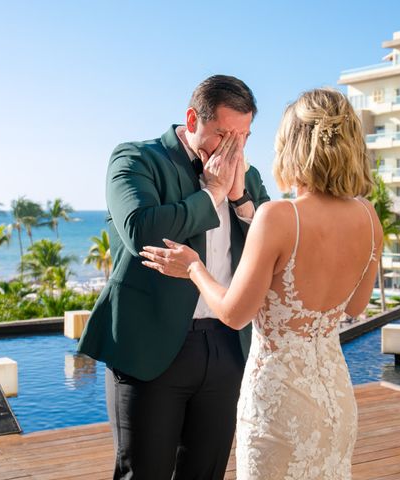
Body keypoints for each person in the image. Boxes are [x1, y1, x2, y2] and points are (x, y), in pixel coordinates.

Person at [140, 88, 383, 479]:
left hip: (280, 403)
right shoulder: (368, 216)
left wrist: (194, 268)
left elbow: (235, 315)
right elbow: (354, 308)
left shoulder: (279, 216)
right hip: (336, 396)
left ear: (292, 145)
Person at [77, 75, 270, 479]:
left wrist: (238, 199)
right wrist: (212, 194)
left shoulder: (248, 179)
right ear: (192, 118)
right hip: (150, 349)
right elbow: (141, 231)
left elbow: (273, 250)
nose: (234, 147)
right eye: (223, 134)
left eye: (243, 136)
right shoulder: (136, 158)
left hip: (226, 347)